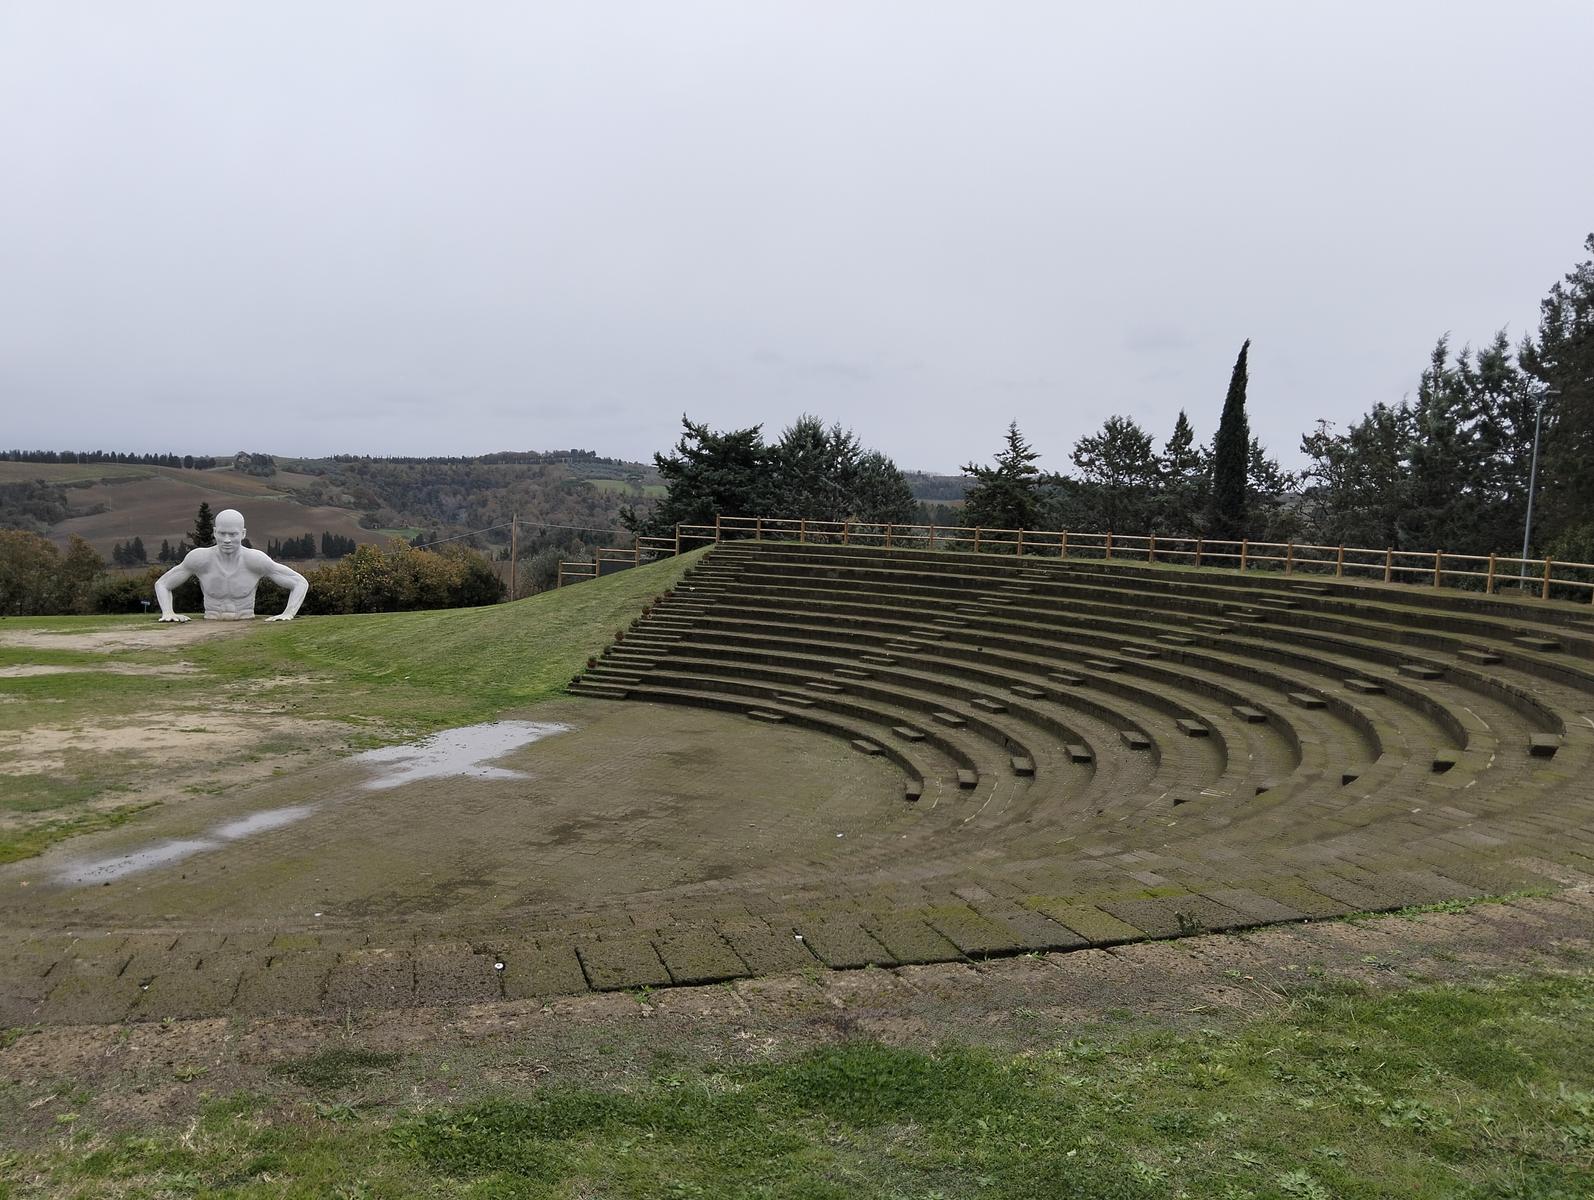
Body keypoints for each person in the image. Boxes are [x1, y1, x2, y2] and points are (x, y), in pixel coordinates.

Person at [154, 509, 309, 621]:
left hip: (246, 625)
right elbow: (162, 584)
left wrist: (288, 613)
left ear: (243, 533)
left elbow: (299, 582)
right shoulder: (200, 558)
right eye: (222, 533)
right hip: (209, 625)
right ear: (215, 532)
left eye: (233, 534)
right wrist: (168, 613)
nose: (227, 540)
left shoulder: (255, 560)